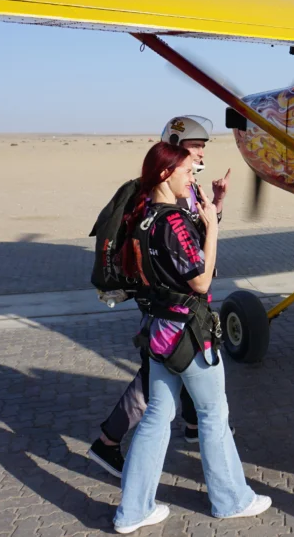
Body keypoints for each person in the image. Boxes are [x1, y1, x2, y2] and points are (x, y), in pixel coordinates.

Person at [113, 141, 270, 532]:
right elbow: (199, 279)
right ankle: (231, 499)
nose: (191, 178)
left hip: (157, 332)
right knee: (213, 416)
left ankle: (132, 511)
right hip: (188, 334)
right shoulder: (172, 222)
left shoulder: (143, 216)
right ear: (167, 173)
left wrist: (213, 206)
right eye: (187, 171)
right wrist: (213, 229)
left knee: (156, 416)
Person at [90, 116, 233, 478]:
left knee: (178, 363)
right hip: (167, 301)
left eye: (203, 147)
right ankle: (108, 442)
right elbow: (179, 242)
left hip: (175, 299)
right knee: (153, 376)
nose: (201, 153)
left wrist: (215, 205)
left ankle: (192, 425)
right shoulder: (161, 192)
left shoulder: (185, 188)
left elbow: (194, 233)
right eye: (195, 147)